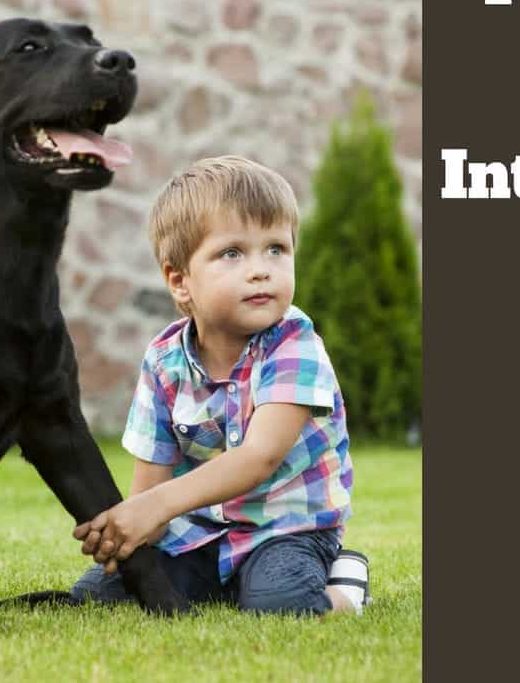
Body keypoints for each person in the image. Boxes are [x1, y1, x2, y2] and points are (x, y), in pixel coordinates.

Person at [70, 155, 368, 616]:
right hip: (202, 534)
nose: (260, 269)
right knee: (100, 594)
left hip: (286, 529)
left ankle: (345, 585)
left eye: (276, 249)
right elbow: (150, 487)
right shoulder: (164, 362)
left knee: (281, 604)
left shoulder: (295, 344)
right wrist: (124, 530)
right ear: (179, 281)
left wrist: (156, 506)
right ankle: (232, 584)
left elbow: (258, 458)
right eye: (232, 253)